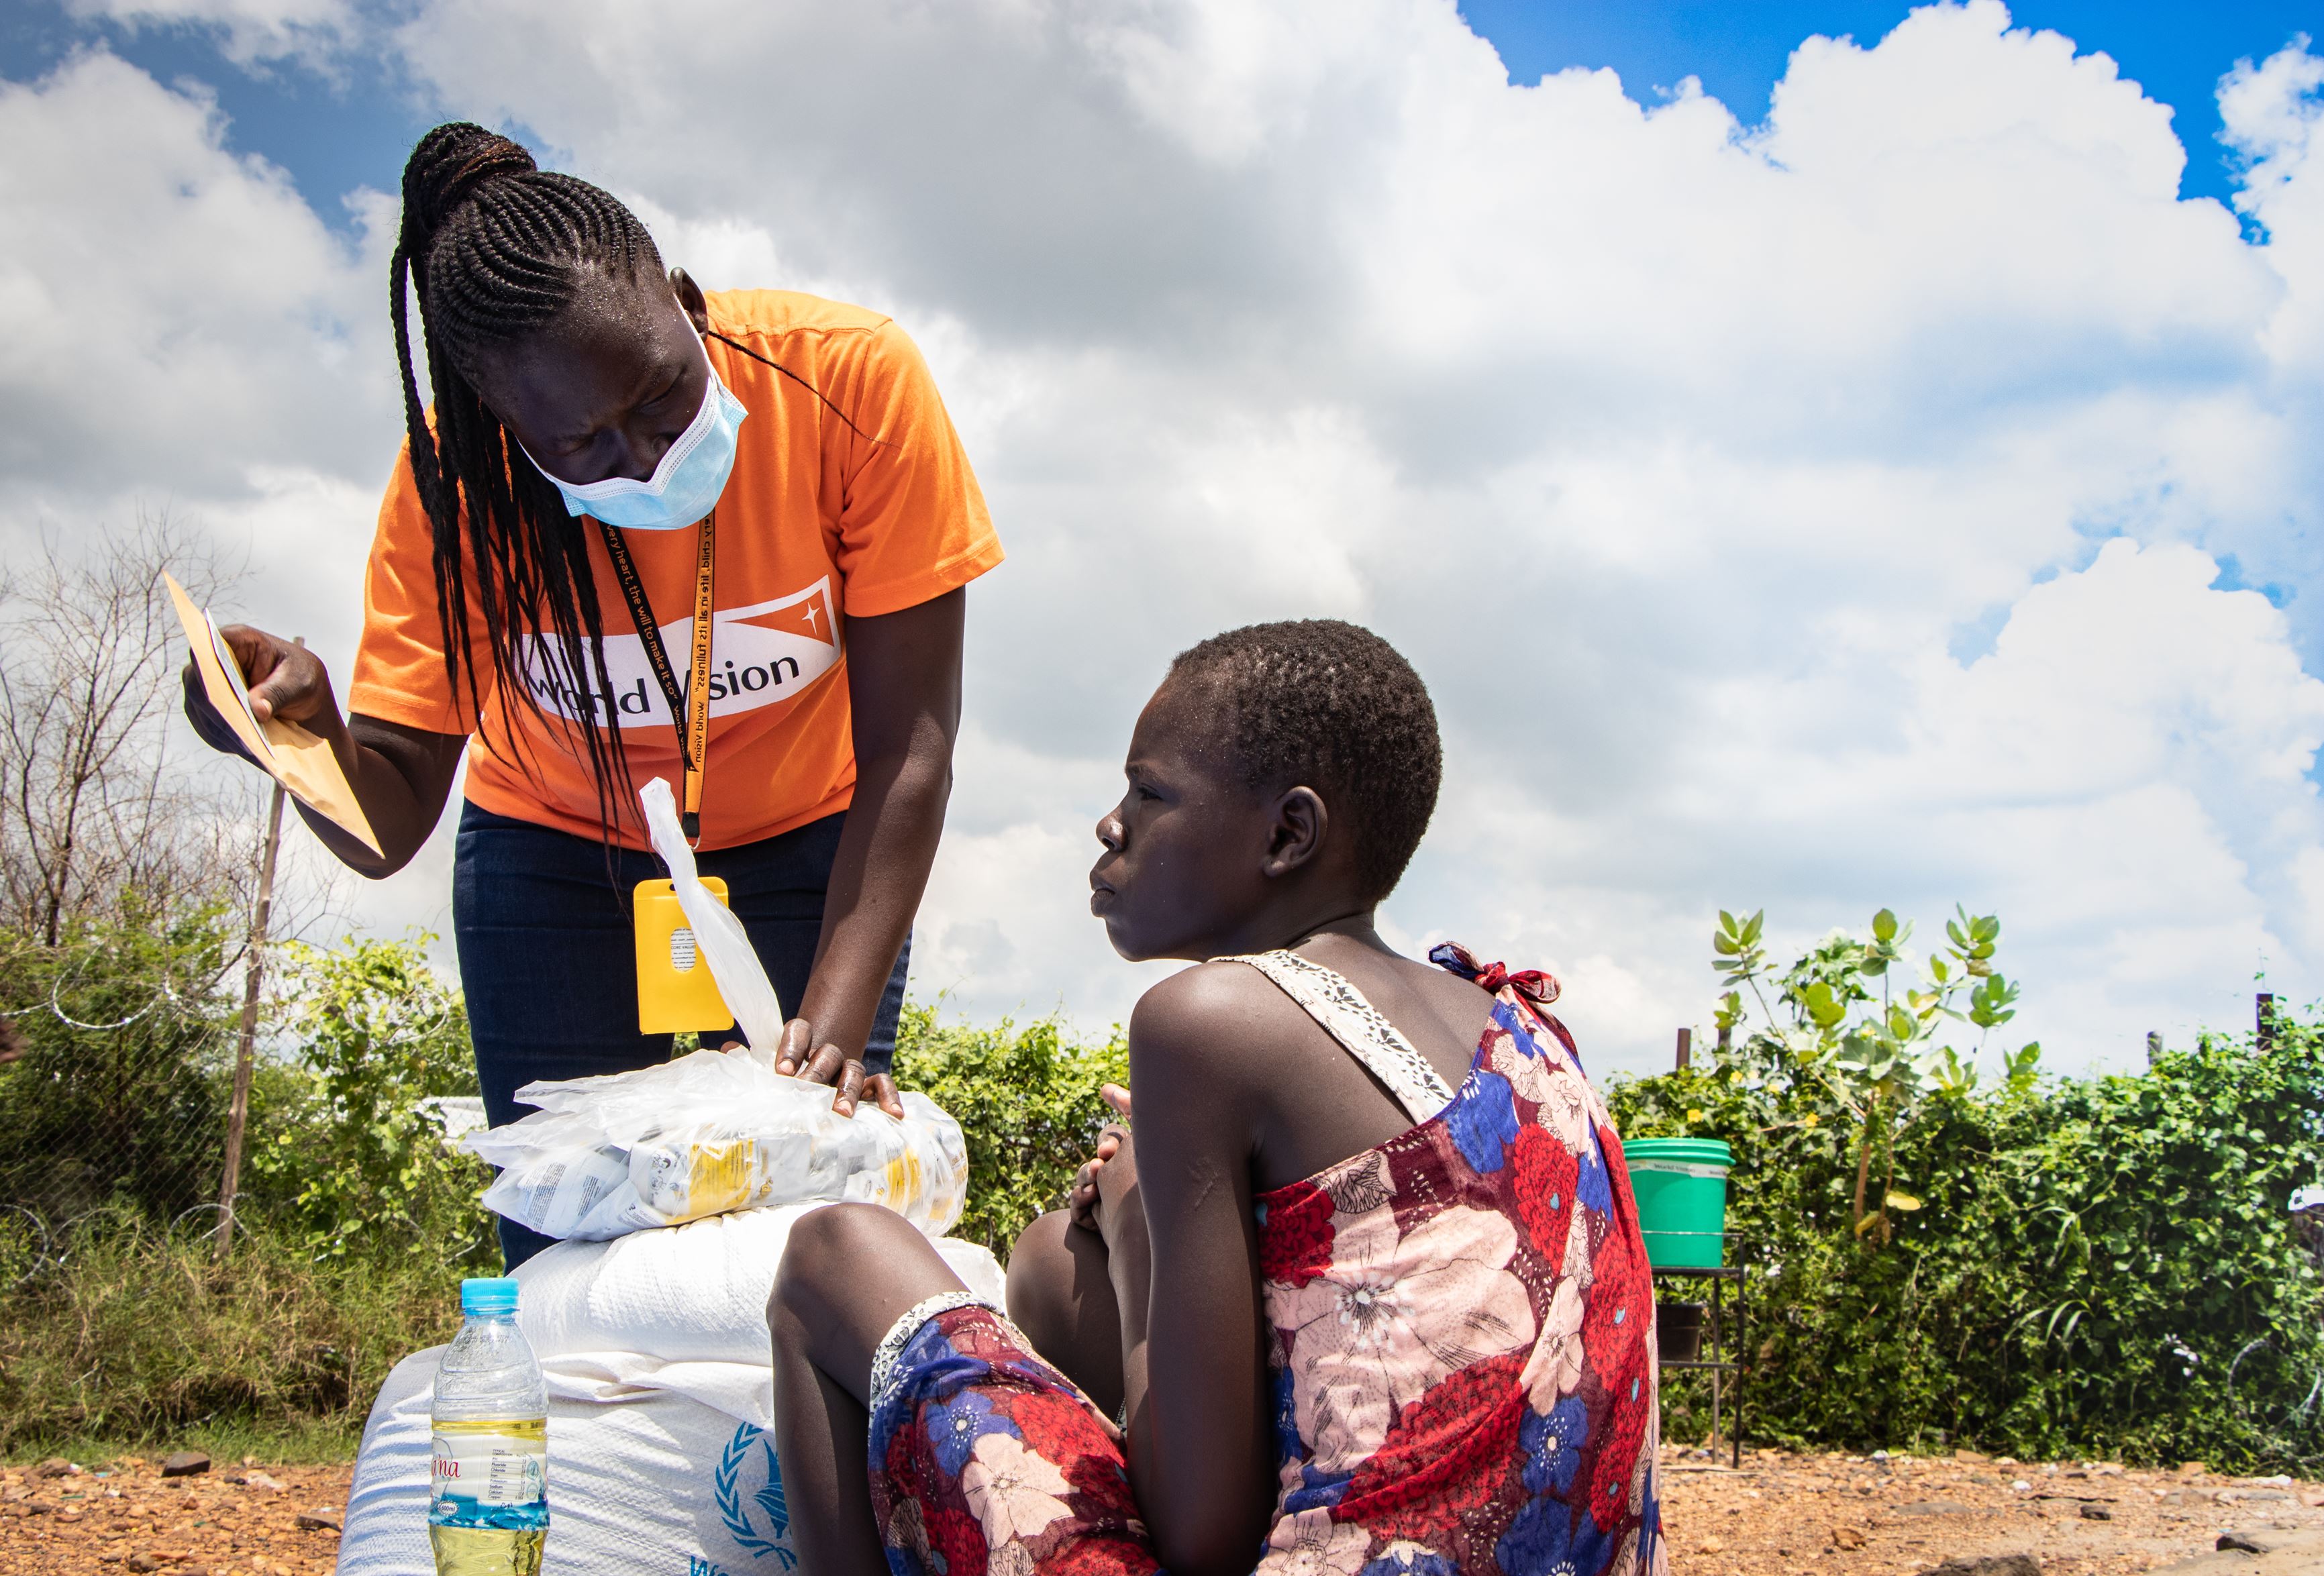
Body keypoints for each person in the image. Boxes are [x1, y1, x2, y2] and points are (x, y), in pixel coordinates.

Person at [183, 123, 1001, 1267]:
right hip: (553, 862)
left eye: (665, 394)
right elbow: (387, 824)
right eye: (588, 447)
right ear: (509, 432)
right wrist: (297, 735)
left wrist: (832, 1028)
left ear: (678, 296)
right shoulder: (452, 490)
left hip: (820, 850)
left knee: (802, 1226)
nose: (652, 454)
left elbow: (912, 742)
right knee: (572, 1233)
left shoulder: (849, 381)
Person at [768, 620, 1666, 1576]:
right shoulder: (1515, 1026)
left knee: (835, 1256)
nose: (1112, 823)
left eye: (1149, 793)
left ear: (1287, 835)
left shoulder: (1209, 1019)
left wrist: (1139, 1221)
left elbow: (1204, 1539)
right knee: (1049, 1261)